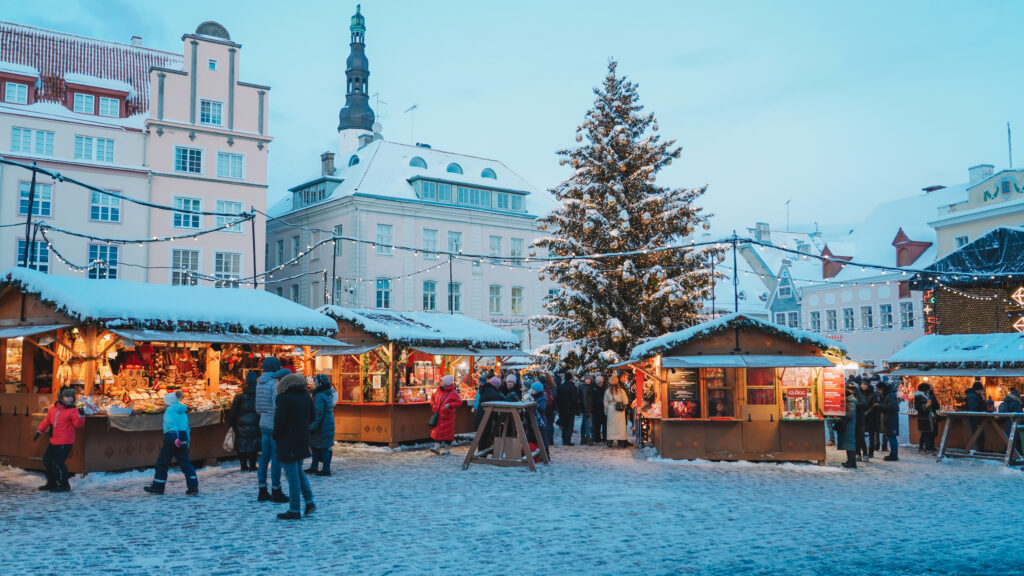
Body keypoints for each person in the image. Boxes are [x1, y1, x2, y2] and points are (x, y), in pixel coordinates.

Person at [273, 373, 316, 520]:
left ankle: (294, 509)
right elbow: (312, 417)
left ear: (283, 382)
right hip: (302, 439)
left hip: (287, 441)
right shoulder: (305, 395)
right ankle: (309, 502)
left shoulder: (283, 398)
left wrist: (276, 435)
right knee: (298, 472)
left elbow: (279, 421)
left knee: (292, 476)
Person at [143, 390, 199, 495]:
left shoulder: (169, 412)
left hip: (172, 438)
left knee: (162, 462)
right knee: (186, 463)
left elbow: (171, 425)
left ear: (168, 402)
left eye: (165, 402)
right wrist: (186, 442)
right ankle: (193, 487)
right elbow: (187, 429)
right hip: (183, 438)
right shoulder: (183, 412)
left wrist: (174, 438)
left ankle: (158, 487)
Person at [33, 387, 85, 492]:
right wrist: (39, 431)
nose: (70, 399)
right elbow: (47, 421)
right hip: (54, 440)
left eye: (71, 396)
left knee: (58, 462)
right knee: (47, 460)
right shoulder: (53, 409)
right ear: (61, 397)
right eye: (67, 396)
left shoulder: (73, 410)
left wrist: (81, 415)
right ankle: (52, 483)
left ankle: (64, 485)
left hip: (65, 441)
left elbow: (78, 424)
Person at [255, 357, 292, 503]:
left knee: (264, 457)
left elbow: (257, 407)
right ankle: (276, 489)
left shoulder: (260, 382)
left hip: (263, 422)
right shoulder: (273, 384)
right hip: (273, 423)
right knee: (276, 457)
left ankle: (262, 489)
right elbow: (276, 405)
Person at [228, 371, 261, 472]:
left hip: (241, 423)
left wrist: (231, 424)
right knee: (254, 443)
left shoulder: (239, 396)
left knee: (242, 444)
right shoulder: (259, 394)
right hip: (256, 422)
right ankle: (252, 465)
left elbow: (233, 412)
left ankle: (243, 465)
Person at [307, 374, 337, 476]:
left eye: (315, 383)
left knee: (323, 447)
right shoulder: (326, 394)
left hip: (322, 426)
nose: (313, 385)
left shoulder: (319, 396)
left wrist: (313, 427)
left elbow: (318, 413)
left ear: (319, 384)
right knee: (317, 446)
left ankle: (325, 469)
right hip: (326, 424)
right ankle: (315, 467)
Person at [430, 375, 463, 455]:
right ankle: (436, 448)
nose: (441, 383)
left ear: (447, 383)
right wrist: (433, 405)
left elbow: (459, 402)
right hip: (439, 415)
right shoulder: (438, 391)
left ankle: (447, 449)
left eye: (443, 381)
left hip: (448, 417)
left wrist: (450, 405)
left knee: (448, 434)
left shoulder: (453, 393)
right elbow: (433, 398)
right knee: (437, 432)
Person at [474, 376, 504, 455]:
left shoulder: (487, 389)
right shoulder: (490, 390)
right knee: (483, 434)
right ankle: (482, 453)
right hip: (483, 416)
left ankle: (482, 452)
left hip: (482, 415)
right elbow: (496, 397)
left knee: (483, 434)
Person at [604, 375, 631, 448]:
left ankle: (610, 442)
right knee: (620, 426)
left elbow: (605, 403)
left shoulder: (607, 391)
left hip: (610, 410)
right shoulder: (621, 391)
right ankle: (621, 442)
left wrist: (606, 412)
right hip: (619, 410)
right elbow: (626, 401)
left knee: (611, 426)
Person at [914, 382, 939, 454]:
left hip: (929, 417)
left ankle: (922, 447)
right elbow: (917, 407)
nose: (930, 390)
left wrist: (931, 404)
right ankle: (928, 448)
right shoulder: (919, 396)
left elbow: (936, 406)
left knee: (926, 433)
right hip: (923, 418)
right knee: (925, 433)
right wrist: (926, 406)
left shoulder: (928, 395)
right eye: (928, 388)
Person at [997, 387, 1022, 458]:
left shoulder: (1004, 402)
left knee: (1009, 440)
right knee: (1016, 440)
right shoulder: (1016, 403)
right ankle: (1017, 456)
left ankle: (1007, 455)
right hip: (1015, 423)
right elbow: (1019, 415)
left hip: (1007, 423)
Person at [838, 384, 859, 468]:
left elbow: (849, 414)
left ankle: (852, 462)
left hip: (849, 425)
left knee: (849, 444)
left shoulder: (851, 402)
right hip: (847, 424)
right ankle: (849, 460)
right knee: (847, 444)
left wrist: (840, 414)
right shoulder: (849, 401)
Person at [878, 382, 900, 461]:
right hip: (889, 420)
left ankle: (894, 455)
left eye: (879, 390)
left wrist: (880, 405)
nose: (879, 392)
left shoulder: (890, 396)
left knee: (892, 437)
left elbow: (894, 407)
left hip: (891, 420)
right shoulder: (889, 395)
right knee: (891, 437)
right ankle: (892, 454)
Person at [556, 371, 579, 446]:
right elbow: (574, 399)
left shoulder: (561, 386)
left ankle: (564, 439)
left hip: (562, 409)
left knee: (564, 424)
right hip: (570, 409)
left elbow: (558, 398)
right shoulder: (572, 386)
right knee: (570, 425)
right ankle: (567, 440)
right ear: (571, 378)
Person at [965, 380, 987, 452]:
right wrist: (977, 421)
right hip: (976, 420)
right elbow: (973, 409)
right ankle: (979, 451)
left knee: (978, 436)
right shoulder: (973, 397)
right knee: (978, 436)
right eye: (980, 390)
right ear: (977, 390)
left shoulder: (974, 396)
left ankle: (978, 450)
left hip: (977, 420)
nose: (981, 392)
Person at [529, 381, 550, 452]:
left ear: (537, 390)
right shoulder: (533, 396)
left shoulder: (542, 398)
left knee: (542, 437)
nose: (532, 391)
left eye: (533, 389)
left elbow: (541, 408)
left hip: (541, 421)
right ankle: (536, 452)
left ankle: (546, 452)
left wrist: (534, 402)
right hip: (534, 420)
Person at [861, 381, 879, 459]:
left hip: (871, 417)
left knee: (871, 435)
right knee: (861, 435)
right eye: (862, 384)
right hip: (862, 417)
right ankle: (863, 451)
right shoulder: (860, 393)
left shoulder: (873, 394)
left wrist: (866, 413)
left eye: (865, 384)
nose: (863, 386)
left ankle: (871, 451)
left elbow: (874, 406)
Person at [853, 382, 868, 462]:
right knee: (855, 438)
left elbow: (863, 403)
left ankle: (865, 454)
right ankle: (857, 454)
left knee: (861, 438)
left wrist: (854, 403)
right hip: (854, 420)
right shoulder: (852, 395)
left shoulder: (859, 395)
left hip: (860, 420)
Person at [542, 373, 557, 448]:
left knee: (546, 424)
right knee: (550, 424)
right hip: (551, 407)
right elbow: (555, 397)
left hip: (544, 407)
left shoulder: (541, 386)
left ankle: (546, 440)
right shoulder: (552, 386)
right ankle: (550, 440)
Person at [591, 374, 608, 444]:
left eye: (602, 382)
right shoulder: (594, 389)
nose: (601, 384)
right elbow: (593, 400)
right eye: (599, 382)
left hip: (603, 410)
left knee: (604, 426)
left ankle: (604, 438)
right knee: (597, 426)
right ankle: (597, 438)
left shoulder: (605, 389)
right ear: (597, 383)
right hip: (596, 410)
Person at [578, 375, 595, 445]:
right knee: (588, 424)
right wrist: (587, 410)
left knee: (584, 423)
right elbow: (585, 400)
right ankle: (587, 438)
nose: (588, 380)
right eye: (587, 379)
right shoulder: (585, 388)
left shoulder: (586, 387)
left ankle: (583, 438)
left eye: (589, 379)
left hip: (586, 408)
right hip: (587, 409)